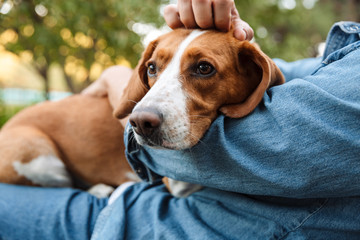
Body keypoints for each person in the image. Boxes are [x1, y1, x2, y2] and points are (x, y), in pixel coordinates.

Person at [1, 0, 360, 239]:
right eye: (154, 69)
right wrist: (121, 78)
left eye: (203, 68)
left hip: (130, 217)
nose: (147, 110)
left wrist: (113, 77)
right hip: (32, 152)